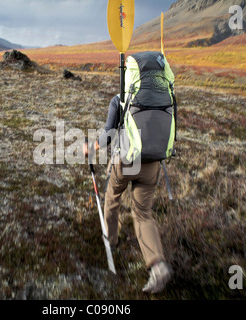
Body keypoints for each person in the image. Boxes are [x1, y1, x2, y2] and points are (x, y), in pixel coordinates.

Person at [84, 94, 172, 294]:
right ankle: (157, 265)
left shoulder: (120, 99)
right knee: (143, 213)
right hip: (152, 163)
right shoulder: (162, 98)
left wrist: (92, 147)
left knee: (112, 199)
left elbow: (108, 134)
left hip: (125, 162)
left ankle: (111, 241)